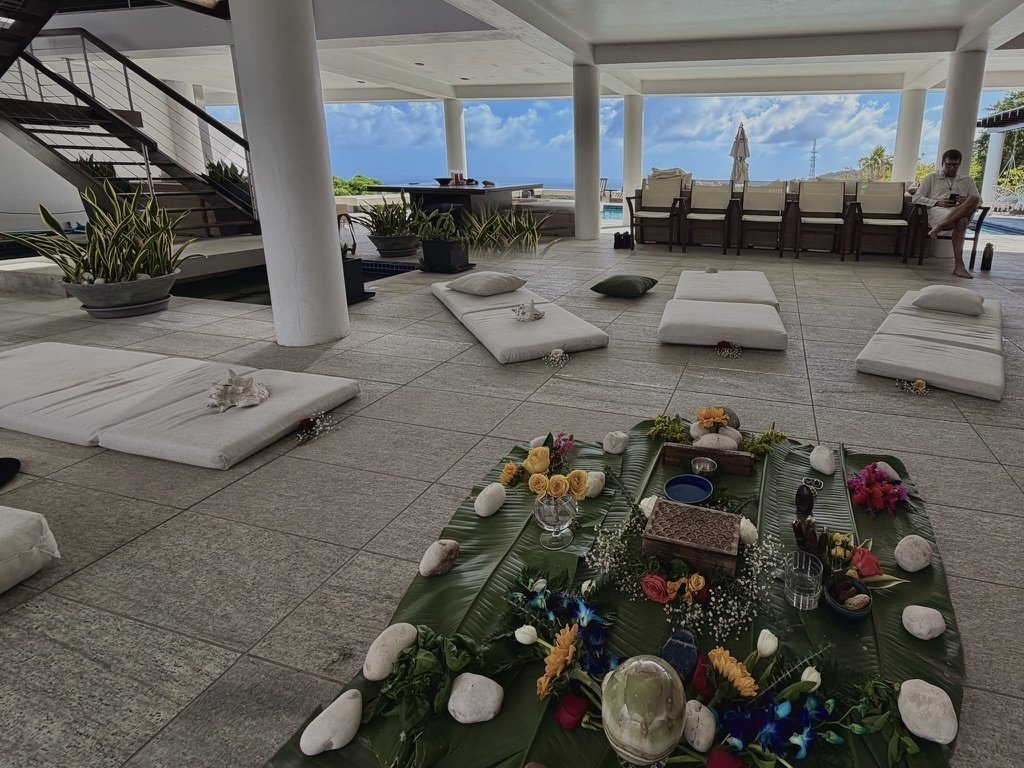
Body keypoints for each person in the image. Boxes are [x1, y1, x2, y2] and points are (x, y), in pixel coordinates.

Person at [912, 149, 981, 279]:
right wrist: (937, 202)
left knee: (973, 199)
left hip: (960, 210)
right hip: (939, 211)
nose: (951, 168)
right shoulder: (931, 178)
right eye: (948, 165)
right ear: (943, 163)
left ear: (959, 164)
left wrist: (965, 201)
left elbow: (979, 201)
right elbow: (916, 198)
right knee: (962, 221)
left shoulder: (967, 180)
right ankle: (959, 266)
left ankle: (939, 228)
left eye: (955, 165)